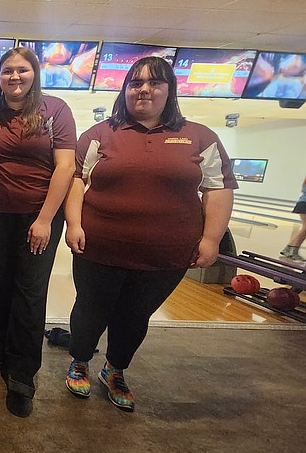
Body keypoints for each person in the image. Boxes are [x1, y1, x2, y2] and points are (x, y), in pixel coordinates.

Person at [64, 56, 237, 412]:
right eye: (135, 83)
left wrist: (211, 239)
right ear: (125, 90)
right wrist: (74, 224)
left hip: (165, 256)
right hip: (99, 247)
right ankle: (80, 360)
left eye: (154, 83)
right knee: (90, 311)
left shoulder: (199, 136)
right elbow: (77, 181)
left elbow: (218, 189)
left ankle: (115, 369)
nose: (144, 89)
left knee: (135, 316)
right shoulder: (101, 134)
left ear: (170, 91)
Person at [0, 46, 77, 418]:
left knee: (30, 291)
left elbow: (65, 167)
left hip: (38, 215)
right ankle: (0, 347)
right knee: (2, 280)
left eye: (22, 71)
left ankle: (22, 375)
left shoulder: (55, 110)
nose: (14, 77)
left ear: (35, 74)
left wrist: (45, 219)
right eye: (7, 71)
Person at [280, 177, 306, 263]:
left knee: (304, 228)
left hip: (302, 203)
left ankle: (287, 249)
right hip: (304, 204)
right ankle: (293, 251)